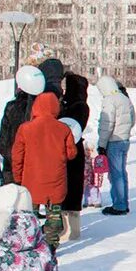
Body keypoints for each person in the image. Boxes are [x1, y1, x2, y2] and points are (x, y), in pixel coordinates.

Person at [12, 92, 77, 251]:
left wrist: (18, 178)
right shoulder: (63, 129)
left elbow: (17, 156)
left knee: (29, 216)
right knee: (54, 217)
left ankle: (31, 244)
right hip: (56, 181)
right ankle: (50, 245)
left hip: (31, 180)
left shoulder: (25, 128)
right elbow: (71, 154)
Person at [96, 75, 135, 216]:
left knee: (115, 174)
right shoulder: (125, 98)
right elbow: (133, 119)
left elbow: (107, 124)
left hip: (113, 141)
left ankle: (119, 205)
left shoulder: (109, 100)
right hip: (124, 140)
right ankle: (123, 202)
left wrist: (101, 144)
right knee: (122, 172)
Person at [58, 73, 90, 242]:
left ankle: (71, 229)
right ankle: (69, 227)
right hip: (71, 150)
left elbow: (72, 127)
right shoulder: (79, 104)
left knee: (71, 187)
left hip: (72, 149)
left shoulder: (77, 106)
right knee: (70, 187)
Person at [0, 87, 34, 184]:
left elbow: (3, 133)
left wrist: (4, 152)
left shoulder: (11, 106)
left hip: (10, 155)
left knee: (11, 191)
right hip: (30, 157)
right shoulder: (36, 107)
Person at [84, 142, 106, 208]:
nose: (88, 152)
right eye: (86, 150)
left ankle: (97, 201)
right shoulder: (83, 158)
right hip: (85, 177)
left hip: (93, 177)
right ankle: (88, 201)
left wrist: (99, 177)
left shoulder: (96, 159)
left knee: (94, 189)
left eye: (90, 150)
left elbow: (99, 169)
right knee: (86, 190)